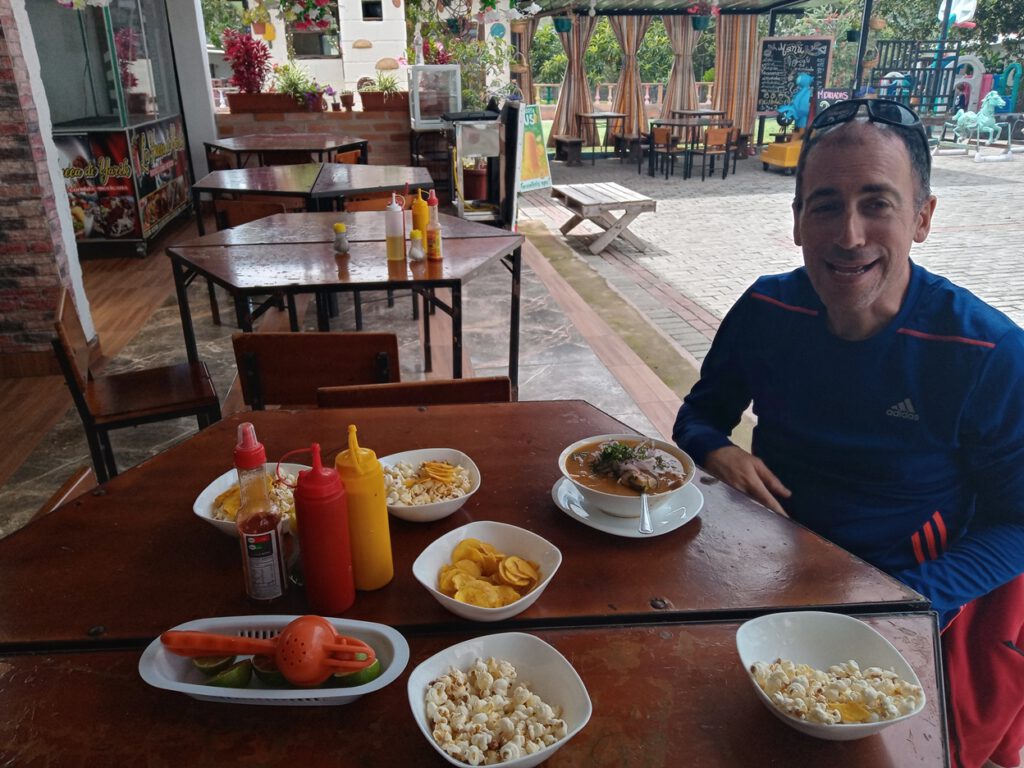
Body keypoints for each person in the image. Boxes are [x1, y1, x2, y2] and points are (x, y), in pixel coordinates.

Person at [673, 98, 1024, 768]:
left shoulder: (985, 354)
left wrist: (908, 597)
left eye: (878, 203)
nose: (850, 234)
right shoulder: (765, 308)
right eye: (826, 204)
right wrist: (715, 449)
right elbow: (698, 414)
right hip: (767, 571)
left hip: (911, 600)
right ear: (798, 219)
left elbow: (1018, 521)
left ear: (923, 216)